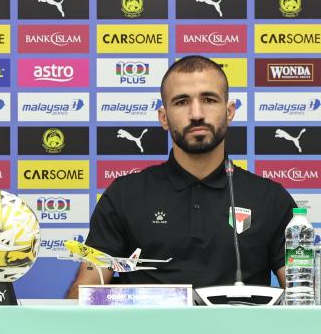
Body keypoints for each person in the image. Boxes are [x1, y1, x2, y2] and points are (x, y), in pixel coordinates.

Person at [66, 55, 296, 298]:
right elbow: (85, 291)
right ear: (163, 118)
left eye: (209, 100)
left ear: (229, 112)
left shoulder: (271, 199)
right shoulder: (124, 195)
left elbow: (303, 296)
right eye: (182, 102)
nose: (196, 114)